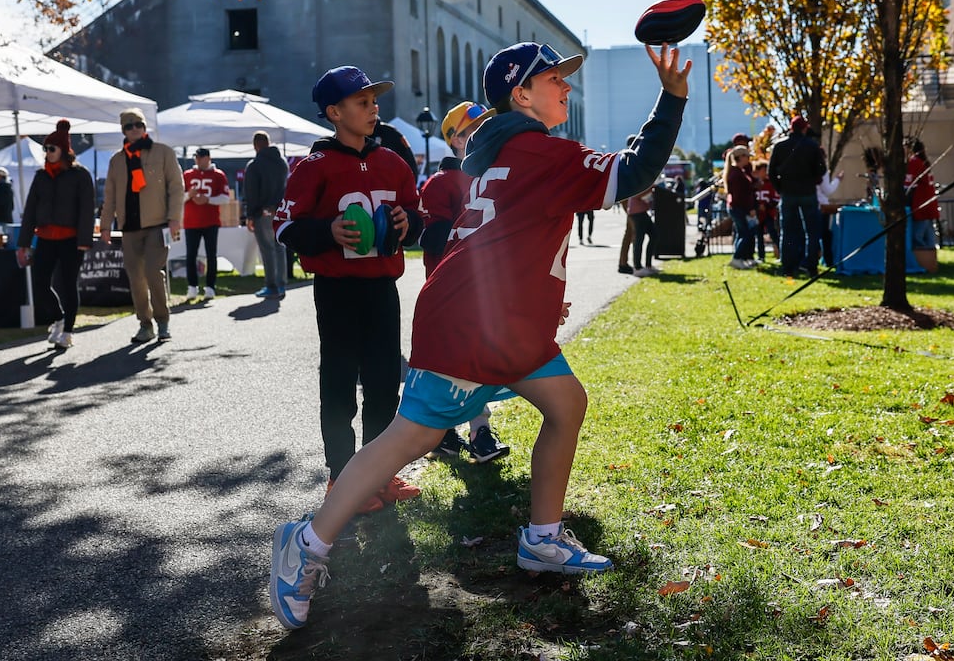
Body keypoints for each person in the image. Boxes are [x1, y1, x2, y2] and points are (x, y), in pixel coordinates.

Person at [269, 41, 689, 630]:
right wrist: (671, 100)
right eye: (554, 80)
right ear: (521, 94)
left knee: (566, 403)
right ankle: (306, 546)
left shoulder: (506, 150)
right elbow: (636, 169)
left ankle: (542, 537)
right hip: (473, 321)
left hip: (499, 319)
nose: (566, 88)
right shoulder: (537, 149)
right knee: (408, 439)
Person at [274, 65, 425, 515]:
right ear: (334, 112)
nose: (373, 108)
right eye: (363, 102)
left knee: (383, 384)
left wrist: (407, 224)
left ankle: (379, 474)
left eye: (374, 101)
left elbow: (417, 217)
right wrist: (327, 231)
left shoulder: (392, 162)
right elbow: (285, 225)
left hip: (382, 288)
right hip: (337, 291)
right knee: (339, 382)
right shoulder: (312, 166)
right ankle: (341, 475)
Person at [418, 100, 511, 464]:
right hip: (451, 292)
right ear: (454, 141)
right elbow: (432, 238)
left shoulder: (495, 174)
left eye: (484, 127)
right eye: (471, 130)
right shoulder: (441, 183)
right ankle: (466, 431)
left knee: (480, 360)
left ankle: (473, 430)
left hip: (486, 290)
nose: (480, 135)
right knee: (453, 365)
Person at [100, 107, 184, 344]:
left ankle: (162, 320)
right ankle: (145, 324)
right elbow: (110, 196)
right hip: (129, 227)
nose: (135, 129)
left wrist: (174, 217)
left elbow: (176, 187)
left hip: (158, 224)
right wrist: (105, 225)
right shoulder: (117, 160)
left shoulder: (163, 152)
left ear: (145, 128)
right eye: (130, 126)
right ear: (123, 130)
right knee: (135, 277)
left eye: (139, 125)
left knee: (152, 273)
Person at [16, 120, 95, 350]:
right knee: (39, 283)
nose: (48, 153)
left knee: (69, 284)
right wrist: (24, 243)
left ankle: (68, 331)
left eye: (52, 148)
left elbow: (87, 209)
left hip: (71, 240)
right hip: (46, 238)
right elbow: (30, 209)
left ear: (63, 150)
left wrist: (84, 241)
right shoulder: (41, 176)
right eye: (46, 148)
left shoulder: (80, 175)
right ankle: (59, 318)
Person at [768, 115, 826, 277]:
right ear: (804, 128)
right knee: (811, 232)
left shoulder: (780, 146)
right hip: (807, 192)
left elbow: (771, 172)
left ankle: (788, 266)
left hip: (788, 192)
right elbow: (821, 169)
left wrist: (780, 189)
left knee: (787, 231)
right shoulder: (812, 146)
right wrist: (811, 178)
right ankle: (811, 266)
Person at [243, 131, 289, 299]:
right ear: (268, 142)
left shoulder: (254, 165)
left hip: (263, 212)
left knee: (267, 249)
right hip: (280, 210)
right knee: (279, 247)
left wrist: (250, 215)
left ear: (255, 145)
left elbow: (251, 192)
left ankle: (271, 285)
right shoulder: (282, 162)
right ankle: (281, 284)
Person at [182, 147, 232, 300]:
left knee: (211, 255)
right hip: (191, 222)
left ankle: (210, 287)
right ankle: (192, 287)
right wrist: (189, 195)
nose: (198, 160)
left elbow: (225, 198)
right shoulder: (188, 175)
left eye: (201, 157)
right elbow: (177, 198)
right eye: (196, 157)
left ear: (208, 158)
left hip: (211, 221)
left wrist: (208, 200)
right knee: (191, 255)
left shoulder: (218, 175)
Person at [904, 138, 940, 274]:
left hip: (920, 206)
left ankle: (923, 264)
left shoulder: (914, 162)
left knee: (917, 238)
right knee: (928, 237)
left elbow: (907, 185)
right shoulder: (924, 162)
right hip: (929, 205)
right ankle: (932, 264)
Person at [724, 145, 758, 268]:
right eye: (747, 156)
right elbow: (740, 195)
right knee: (745, 234)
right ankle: (737, 257)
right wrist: (750, 209)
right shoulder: (737, 174)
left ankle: (741, 257)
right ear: (741, 157)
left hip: (737, 207)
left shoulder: (737, 172)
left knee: (742, 233)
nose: (748, 159)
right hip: (739, 208)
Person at [815, 156, 844, 269]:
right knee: (825, 235)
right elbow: (828, 190)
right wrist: (837, 180)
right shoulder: (822, 170)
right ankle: (828, 260)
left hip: (811, 204)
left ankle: (812, 259)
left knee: (812, 234)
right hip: (822, 205)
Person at [616, 134, 637, 274]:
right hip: (629, 198)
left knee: (631, 230)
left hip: (626, 198)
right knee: (633, 230)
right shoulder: (630, 157)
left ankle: (626, 262)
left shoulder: (625, 156)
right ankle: (626, 263)